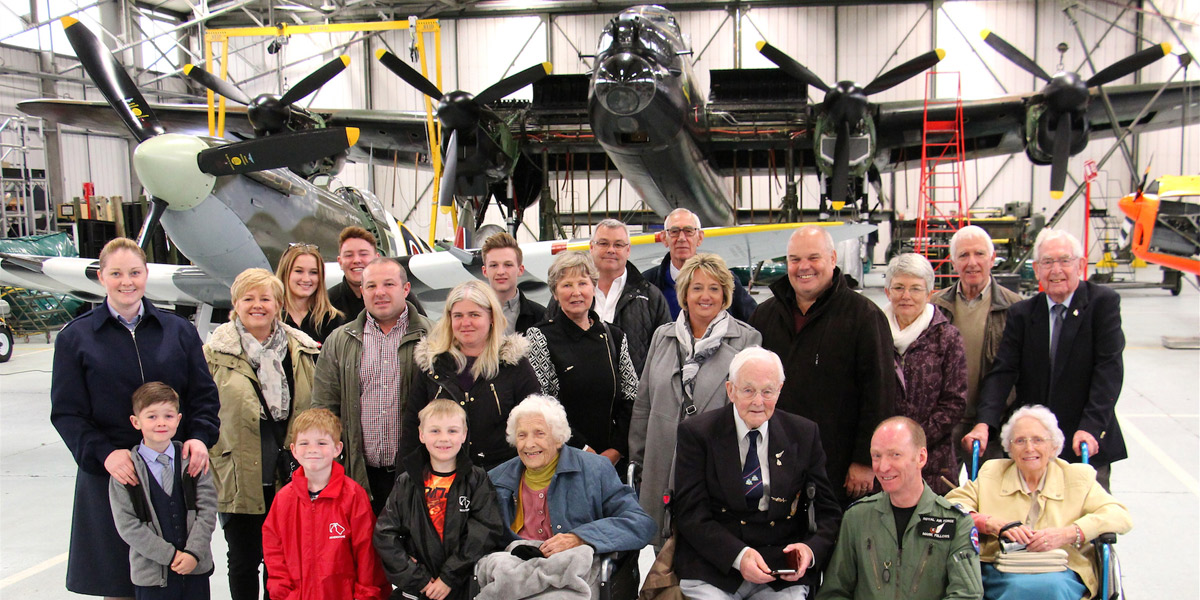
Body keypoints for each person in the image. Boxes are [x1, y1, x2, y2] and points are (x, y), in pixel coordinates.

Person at [51, 237, 220, 599]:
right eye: (116, 273)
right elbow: (68, 412)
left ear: (146, 275)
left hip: (175, 474)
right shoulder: (75, 338)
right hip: (115, 474)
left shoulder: (179, 331)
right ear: (100, 277)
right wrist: (104, 454)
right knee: (121, 581)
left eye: (134, 273)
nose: (126, 282)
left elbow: (203, 395)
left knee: (180, 577)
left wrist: (199, 437)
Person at [672, 347, 842, 599]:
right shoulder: (697, 434)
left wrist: (809, 550)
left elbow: (828, 513)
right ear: (731, 390)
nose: (758, 402)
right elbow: (690, 513)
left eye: (767, 391)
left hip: (780, 569)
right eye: (748, 390)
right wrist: (739, 557)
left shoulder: (804, 434)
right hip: (714, 563)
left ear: (780, 391)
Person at [962, 229, 1126, 490]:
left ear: (1081, 265)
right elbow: (1003, 372)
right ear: (1037, 270)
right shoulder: (1023, 314)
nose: (1056, 270)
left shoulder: (1102, 304)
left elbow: (1109, 371)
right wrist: (984, 423)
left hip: (1083, 436)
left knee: (1090, 523)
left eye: (1064, 260)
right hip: (1032, 445)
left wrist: (1091, 427)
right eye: (1048, 262)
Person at [748, 225, 896, 506]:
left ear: (832, 259)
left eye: (813, 258)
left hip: (838, 470)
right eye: (794, 259)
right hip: (775, 463)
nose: (804, 267)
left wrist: (865, 460)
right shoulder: (764, 316)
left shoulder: (864, 317)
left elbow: (880, 395)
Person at [629, 252, 762, 546]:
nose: (705, 296)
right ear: (684, 293)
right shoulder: (662, 337)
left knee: (707, 549)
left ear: (726, 295)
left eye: (714, 288)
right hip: (660, 464)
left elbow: (752, 413)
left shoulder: (747, 341)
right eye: (697, 288)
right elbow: (644, 404)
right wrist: (637, 462)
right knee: (662, 555)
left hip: (714, 467)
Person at [204, 267, 321, 600]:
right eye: (248, 298)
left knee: (282, 561)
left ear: (278, 304)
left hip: (289, 474)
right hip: (238, 473)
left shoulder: (302, 350)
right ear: (235, 304)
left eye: (265, 298)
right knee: (242, 560)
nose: (258, 305)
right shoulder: (214, 354)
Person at [946, 405, 1132, 600]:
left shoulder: (1076, 478)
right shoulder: (992, 473)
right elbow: (952, 506)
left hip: (1062, 568)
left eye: (1038, 440)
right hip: (1001, 568)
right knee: (1015, 587)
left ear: (1053, 446)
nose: (1029, 448)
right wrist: (992, 524)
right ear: (1009, 447)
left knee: (1051, 588)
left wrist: (1068, 534)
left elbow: (1119, 515)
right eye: (1020, 441)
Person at [313, 256, 435, 513]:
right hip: (358, 476)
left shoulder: (434, 337)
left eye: (388, 284)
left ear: (405, 289)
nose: (379, 292)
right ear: (362, 291)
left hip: (418, 473)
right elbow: (323, 411)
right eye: (370, 286)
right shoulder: (339, 341)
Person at [817, 417, 982, 600]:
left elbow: (967, 595)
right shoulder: (856, 518)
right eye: (876, 456)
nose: (883, 467)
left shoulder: (956, 523)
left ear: (921, 457)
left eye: (895, 455)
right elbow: (833, 592)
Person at [399, 280, 543, 470]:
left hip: (503, 478)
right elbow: (411, 429)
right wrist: (406, 485)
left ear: (491, 317)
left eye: (474, 314)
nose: (465, 323)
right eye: (458, 315)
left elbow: (537, 422)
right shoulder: (433, 366)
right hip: (446, 479)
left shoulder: (513, 364)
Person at [489, 394, 655, 554]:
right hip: (515, 572)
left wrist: (581, 538)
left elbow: (639, 523)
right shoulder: (496, 480)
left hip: (574, 573)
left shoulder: (595, 470)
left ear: (558, 437)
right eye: (522, 435)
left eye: (539, 433)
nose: (529, 444)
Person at [375, 399, 506, 600]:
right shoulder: (406, 482)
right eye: (435, 431)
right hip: (418, 589)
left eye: (452, 431)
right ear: (421, 435)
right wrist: (418, 579)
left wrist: (449, 577)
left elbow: (485, 530)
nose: (444, 438)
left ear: (464, 435)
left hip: (463, 587)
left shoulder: (477, 480)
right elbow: (385, 534)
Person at [262, 408, 389, 600]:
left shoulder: (353, 496)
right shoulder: (283, 499)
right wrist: (284, 594)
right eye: (304, 443)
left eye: (322, 443)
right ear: (294, 450)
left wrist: (365, 596)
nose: (313, 449)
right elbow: (273, 551)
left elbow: (367, 556)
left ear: (337, 448)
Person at [526, 251, 638, 468]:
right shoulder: (540, 337)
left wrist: (616, 450)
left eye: (582, 283)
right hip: (563, 458)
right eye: (566, 285)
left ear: (593, 288)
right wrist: (582, 448)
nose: (576, 292)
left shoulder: (614, 337)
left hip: (613, 462)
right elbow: (540, 403)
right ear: (555, 293)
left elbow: (632, 397)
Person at [109, 382, 218, 600]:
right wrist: (170, 556)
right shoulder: (126, 471)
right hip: (152, 578)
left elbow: (207, 511)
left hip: (195, 570)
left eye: (168, 416)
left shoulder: (193, 462)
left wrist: (193, 553)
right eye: (151, 417)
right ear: (135, 421)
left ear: (178, 419)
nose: (161, 423)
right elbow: (128, 525)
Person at [930, 226, 1024, 467]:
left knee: (990, 500)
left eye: (979, 254)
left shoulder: (1016, 308)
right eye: (963, 255)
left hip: (994, 425)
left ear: (992, 259)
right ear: (953, 262)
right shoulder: (934, 307)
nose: (972, 262)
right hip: (945, 425)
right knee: (943, 498)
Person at [883, 253, 967, 495]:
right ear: (888, 292)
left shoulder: (947, 337)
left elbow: (955, 402)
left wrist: (912, 442)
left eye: (915, 289)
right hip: (883, 460)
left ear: (930, 293)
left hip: (933, 462)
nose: (906, 295)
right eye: (898, 287)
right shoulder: (873, 332)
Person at [545, 219, 670, 373]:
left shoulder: (651, 297)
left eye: (618, 245)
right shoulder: (567, 297)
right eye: (603, 243)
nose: (611, 250)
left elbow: (665, 354)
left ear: (628, 250)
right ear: (591, 247)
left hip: (635, 394)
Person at [643, 208, 758, 322]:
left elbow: (755, 320)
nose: (682, 238)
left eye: (688, 231)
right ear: (664, 238)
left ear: (700, 237)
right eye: (674, 232)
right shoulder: (646, 284)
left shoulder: (725, 280)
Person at [275, 242, 345, 344]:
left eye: (313, 272)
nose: (306, 279)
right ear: (285, 273)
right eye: (299, 271)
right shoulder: (271, 317)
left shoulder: (332, 320)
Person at [481, 231, 545, 335]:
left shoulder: (540, 316)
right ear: (484, 271)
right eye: (493, 265)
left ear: (520, 270)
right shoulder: (471, 316)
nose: (501, 272)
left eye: (508, 265)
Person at [327, 226, 379, 321]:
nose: (356, 260)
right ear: (340, 262)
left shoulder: (401, 299)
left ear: (377, 258)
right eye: (349, 255)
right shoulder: (326, 305)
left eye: (363, 254)